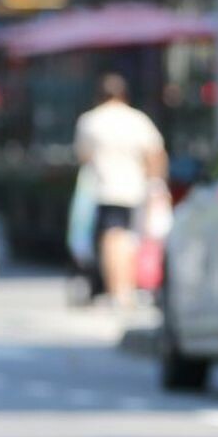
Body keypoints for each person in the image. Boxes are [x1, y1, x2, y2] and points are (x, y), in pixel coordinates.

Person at [73, 72, 166, 310]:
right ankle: (128, 289)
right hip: (136, 188)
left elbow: (83, 156)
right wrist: (156, 184)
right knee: (131, 239)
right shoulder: (138, 119)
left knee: (113, 238)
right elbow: (155, 154)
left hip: (106, 189)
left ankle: (118, 291)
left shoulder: (90, 121)